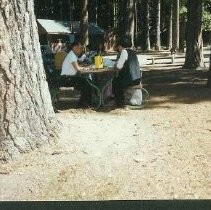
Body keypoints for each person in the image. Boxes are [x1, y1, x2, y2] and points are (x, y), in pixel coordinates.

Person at [61, 41, 92, 107]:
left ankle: (84, 103)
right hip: (67, 79)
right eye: (80, 48)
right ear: (74, 47)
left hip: (70, 78)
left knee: (87, 83)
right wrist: (85, 68)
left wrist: (83, 66)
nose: (81, 50)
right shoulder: (71, 55)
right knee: (87, 85)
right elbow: (77, 68)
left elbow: (77, 65)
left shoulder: (72, 55)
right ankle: (82, 105)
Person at [112, 37, 142, 107]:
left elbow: (119, 66)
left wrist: (115, 64)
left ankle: (119, 103)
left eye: (118, 46)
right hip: (137, 77)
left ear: (120, 46)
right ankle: (120, 101)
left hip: (130, 79)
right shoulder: (132, 51)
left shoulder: (124, 52)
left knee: (115, 82)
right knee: (117, 80)